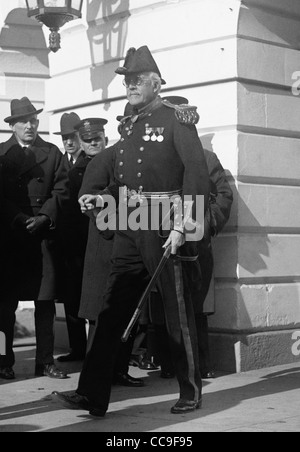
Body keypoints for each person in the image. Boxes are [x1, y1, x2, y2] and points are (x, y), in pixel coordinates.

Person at [54, 45, 210, 417]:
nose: (130, 86)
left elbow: (196, 174)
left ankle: (190, 390)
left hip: (164, 223)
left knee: (177, 310)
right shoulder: (130, 124)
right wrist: (102, 199)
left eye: (137, 80)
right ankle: (92, 392)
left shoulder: (178, 119)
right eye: (126, 81)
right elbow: (125, 179)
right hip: (130, 223)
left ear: (156, 84)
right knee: (112, 309)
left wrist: (183, 226)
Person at [0, 97, 68, 380]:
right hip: (9, 236)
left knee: (45, 303)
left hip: (42, 236)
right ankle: (3, 360)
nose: (30, 126)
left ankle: (45, 361)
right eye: (23, 121)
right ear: (12, 126)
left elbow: (63, 190)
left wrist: (45, 217)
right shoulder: (1, 154)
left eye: (33, 121)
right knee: (4, 305)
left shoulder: (52, 153)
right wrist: (17, 218)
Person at [54, 113, 88, 363]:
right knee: (71, 297)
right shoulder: (59, 163)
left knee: (95, 296)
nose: (68, 142)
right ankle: (78, 348)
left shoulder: (91, 161)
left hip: (89, 239)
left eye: (72, 137)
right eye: (65, 138)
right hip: (66, 244)